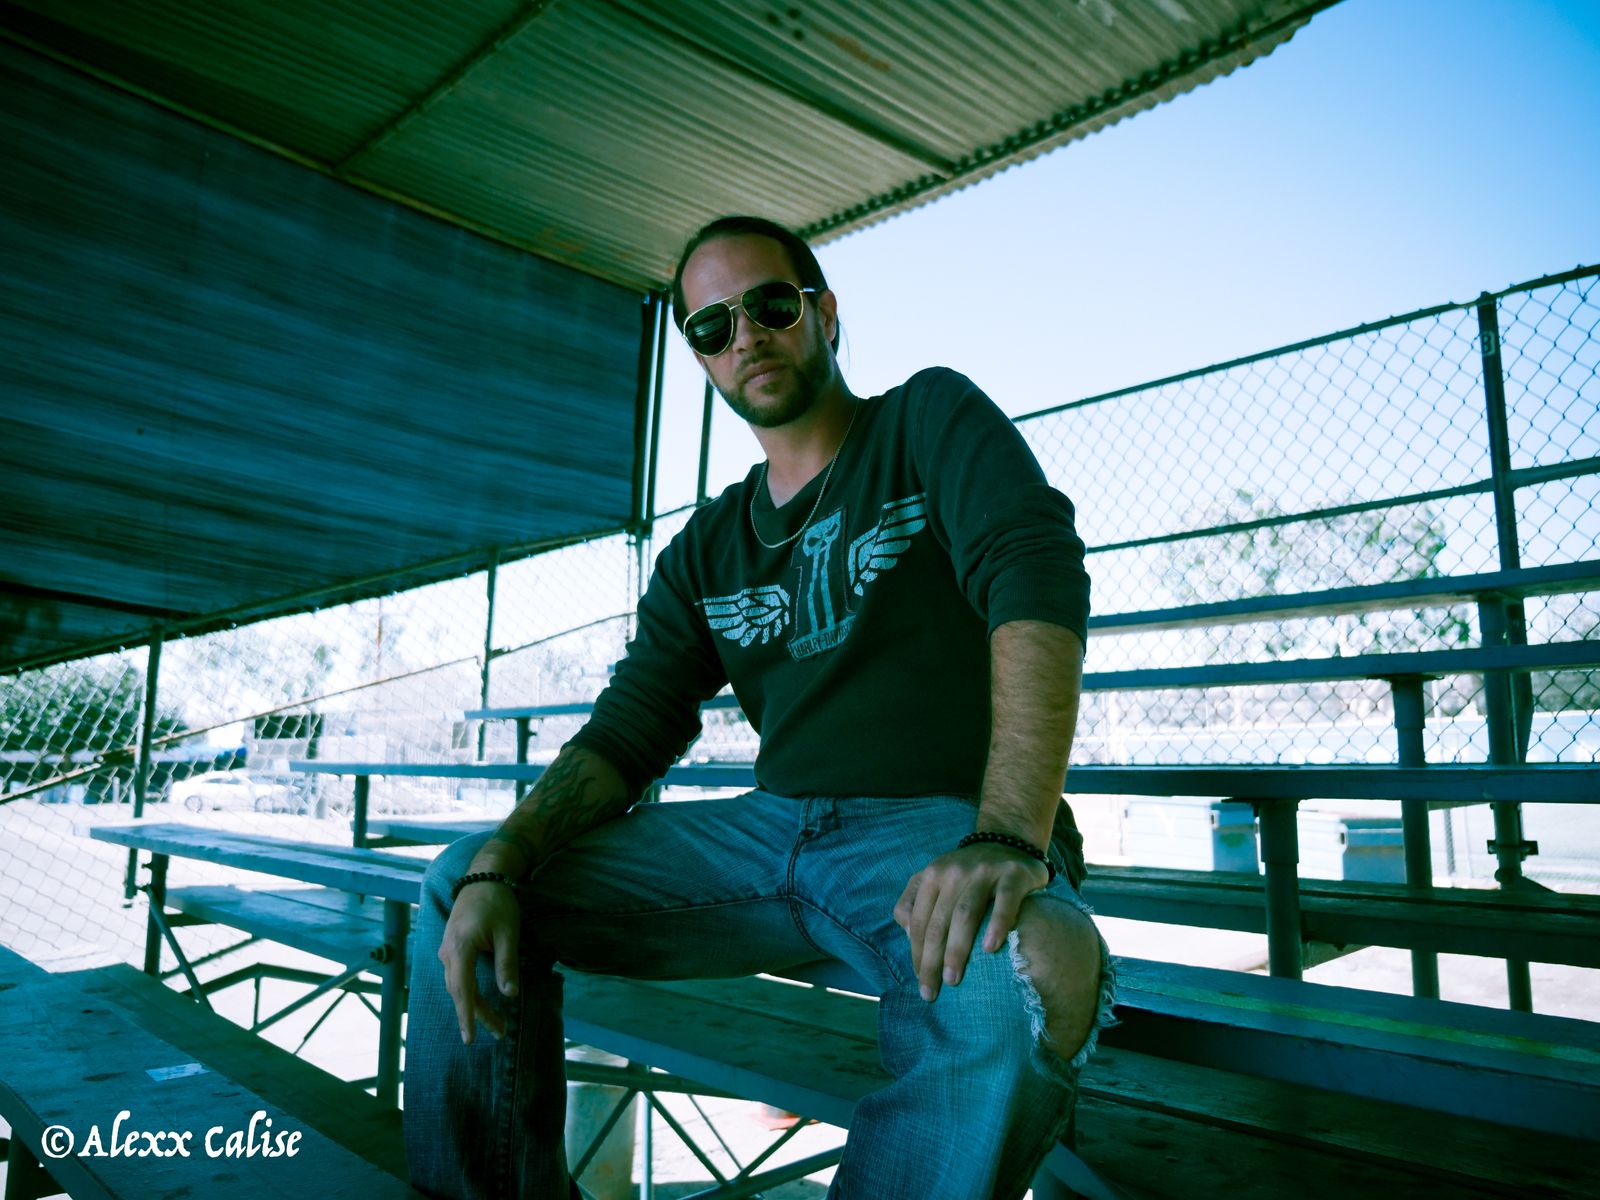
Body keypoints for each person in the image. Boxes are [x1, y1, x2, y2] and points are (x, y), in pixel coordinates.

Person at [405, 215, 1115, 1199]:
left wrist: (1006, 834)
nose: (745, 335)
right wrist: (506, 857)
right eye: (712, 326)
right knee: (465, 883)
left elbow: (1032, 571)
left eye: (771, 305)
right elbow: (632, 726)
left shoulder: (925, 419)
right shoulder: (706, 545)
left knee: (1035, 963)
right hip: (766, 834)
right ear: (701, 357)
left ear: (823, 314)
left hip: (933, 829)